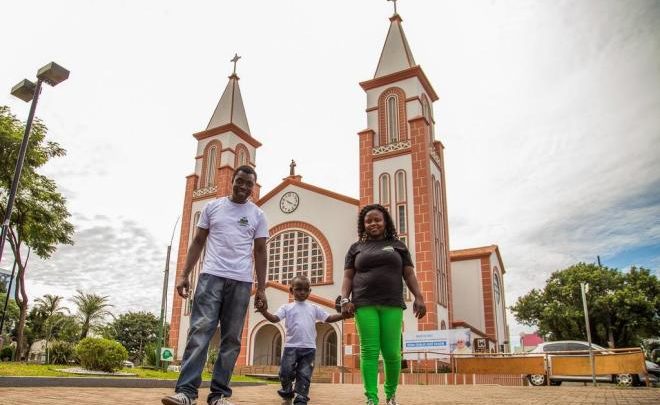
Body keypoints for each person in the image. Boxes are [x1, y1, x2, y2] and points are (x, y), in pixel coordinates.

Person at [162, 165, 269, 405]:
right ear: (232, 181)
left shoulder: (257, 215)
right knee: (200, 332)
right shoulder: (213, 207)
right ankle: (186, 393)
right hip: (211, 277)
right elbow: (198, 241)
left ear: (253, 187)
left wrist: (261, 288)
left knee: (231, 340)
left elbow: (261, 251)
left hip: (241, 282)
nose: (243, 187)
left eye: (248, 184)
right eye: (239, 181)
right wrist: (184, 274)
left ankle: (219, 395)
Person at [341, 204, 427, 405]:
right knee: (369, 351)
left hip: (392, 304)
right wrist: (345, 299)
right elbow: (347, 277)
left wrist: (419, 297)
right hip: (364, 304)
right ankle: (371, 398)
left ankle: (390, 395)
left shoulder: (398, 245)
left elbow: (409, 274)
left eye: (377, 219)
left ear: (385, 221)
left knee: (392, 352)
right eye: (368, 221)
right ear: (363, 225)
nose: (373, 224)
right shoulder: (356, 248)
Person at [256, 275, 346, 404]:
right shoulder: (286, 307)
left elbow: (329, 318)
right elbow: (275, 319)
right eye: (298, 289)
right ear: (291, 291)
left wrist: (343, 315)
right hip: (290, 347)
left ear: (310, 291)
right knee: (285, 372)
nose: (302, 292)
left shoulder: (314, 308)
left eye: (305, 290)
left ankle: (301, 398)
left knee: (304, 375)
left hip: (309, 349)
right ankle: (287, 392)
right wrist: (264, 312)